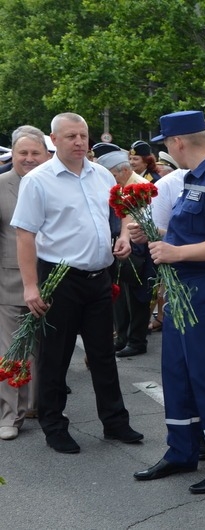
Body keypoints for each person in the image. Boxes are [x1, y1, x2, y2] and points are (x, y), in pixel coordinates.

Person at [131, 110, 205, 494]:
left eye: (167, 144)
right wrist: (159, 236)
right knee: (178, 373)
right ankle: (181, 450)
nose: (168, 151)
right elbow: (195, 232)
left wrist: (175, 253)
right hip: (184, 289)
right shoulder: (194, 178)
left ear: (178, 142)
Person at [11, 112, 142, 454]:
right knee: (55, 357)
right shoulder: (39, 180)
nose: (80, 142)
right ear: (53, 141)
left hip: (99, 277)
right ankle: (54, 425)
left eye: (83, 135)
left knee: (102, 354)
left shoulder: (100, 175)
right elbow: (25, 235)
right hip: (59, 279)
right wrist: (30, 287)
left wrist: (124, 236)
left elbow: (121, 211)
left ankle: (115, 421)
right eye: (70, 136)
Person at [0, 126, 50, 441]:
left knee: (45, 351)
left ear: (46, 155)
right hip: (9, 284)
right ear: (13, 155)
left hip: (53, 281)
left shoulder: (57, 185)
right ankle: (9, 415)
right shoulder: (1, 186)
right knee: (11, 351)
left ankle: (39, 405)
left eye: (35, 153)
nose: (29, 159)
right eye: (23, 153)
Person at [95, 148, 151, 358]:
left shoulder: (142, 187)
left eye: (112, 175)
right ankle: (122, 337)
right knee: (119, 295)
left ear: (123, 170)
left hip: (140, 250)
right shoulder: (120, 187)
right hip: (121, 247)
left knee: (138, 296)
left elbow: (143, 222)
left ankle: (137, 340)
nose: (109, 180)